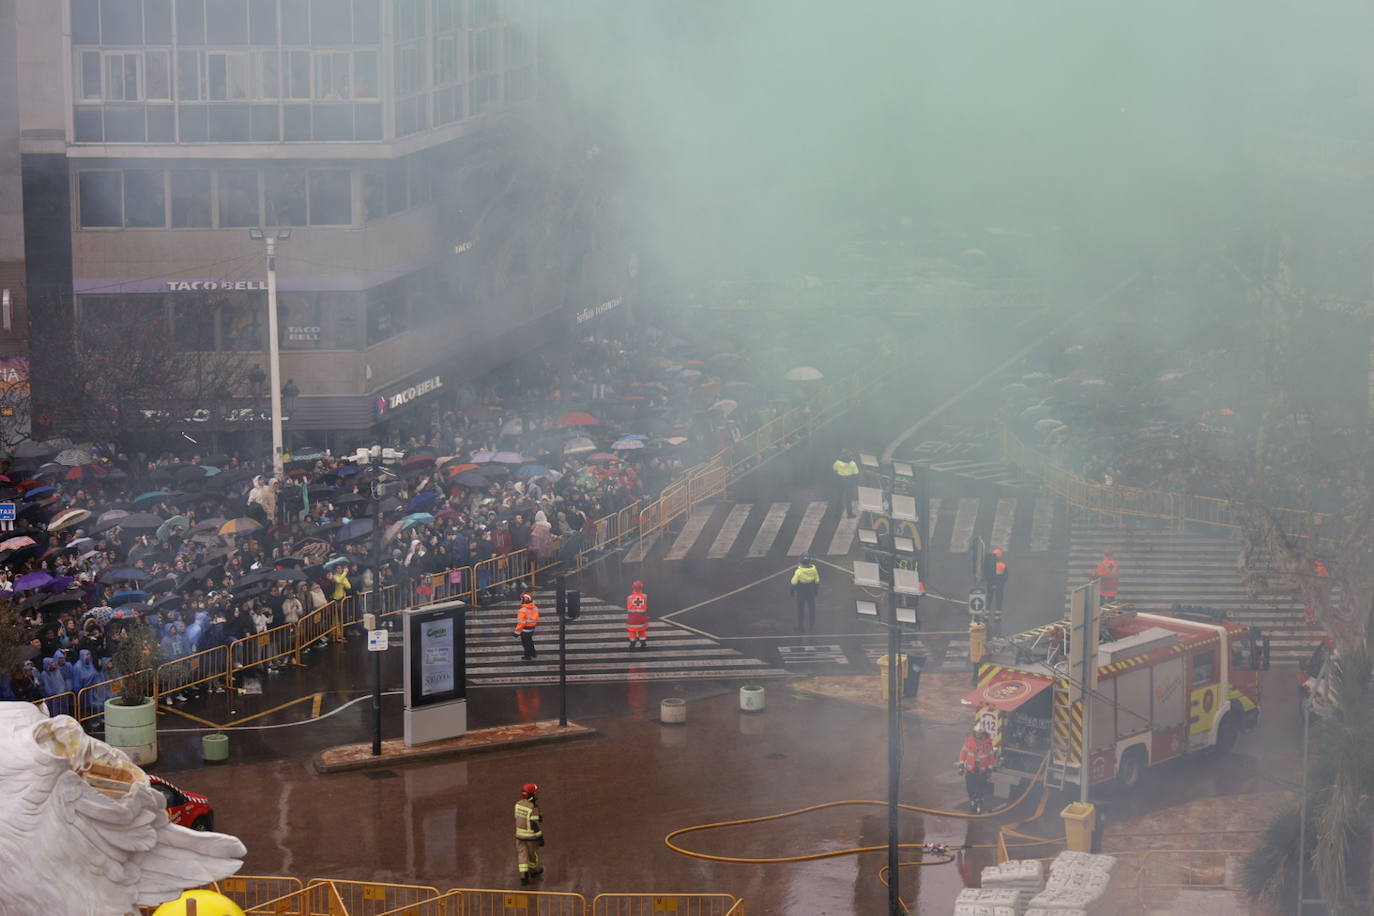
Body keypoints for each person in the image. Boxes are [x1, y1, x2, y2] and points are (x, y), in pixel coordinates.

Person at [957, 725, 997, 814]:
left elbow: (991, 757)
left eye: (980, 733)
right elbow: (963, 753)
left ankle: (978, 801)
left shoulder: (988, 743)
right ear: (974, 732)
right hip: (970, 769)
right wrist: (961, 765)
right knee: (970, 786)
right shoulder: (969, 741)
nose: (978, 734)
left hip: (982, 770)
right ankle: (972, 799)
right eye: (977, 733)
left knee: (980, 786)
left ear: (983, 733)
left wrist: (990, 769)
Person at [514, 782, 544, 885]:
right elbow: (535, 824)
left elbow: (519, 818)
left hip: (519, 836)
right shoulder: (533, 807)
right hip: (531, 837)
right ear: (532, 794)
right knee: (532, 856)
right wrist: (540, 837)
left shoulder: (518, 804)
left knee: (522, 854)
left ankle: (523, 875)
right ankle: (534, 871)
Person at [790, 554, 820, 633]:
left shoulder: (799, 571)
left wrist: (792, 592)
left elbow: (794, 582)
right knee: (811, 609)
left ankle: (801, 626)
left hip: (801, 592)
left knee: (800, 609)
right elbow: (817, 580)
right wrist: (816, 590)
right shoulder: (814, 569)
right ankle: (811, 626)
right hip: (810, 592)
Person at [832, 450, 860, 518]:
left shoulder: (838, 462)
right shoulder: (853, 464)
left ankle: (837, 514)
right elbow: (856, 474)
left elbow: (834, 470)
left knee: (839, 498)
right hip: (849, 482)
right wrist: (854, 482)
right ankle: (849, 514)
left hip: (840, 481)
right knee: (848, 499)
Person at [984, 547, 1009, 620]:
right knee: (999, 600)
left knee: (989, 599)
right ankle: (997, 616)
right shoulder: (1003, 565)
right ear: (1000, 556)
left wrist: (992, 584)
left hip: (990, 585)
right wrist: (999, 584)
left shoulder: (989, 565)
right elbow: (1005, 577)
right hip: (1000, 586)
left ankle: (986, 615)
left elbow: (987, 575)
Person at [514, 592, 539, 661]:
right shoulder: (535, 608)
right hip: (532, 628)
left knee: (525, 643)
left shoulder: (522, 611)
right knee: (530, 641)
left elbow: (521, 623)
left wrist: (516, 633)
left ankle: (527, 656)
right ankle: (533, 653)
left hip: (525, 629)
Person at [625, 580, 649, 650]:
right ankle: (643, 643)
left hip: (632, 618)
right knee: (641, 630)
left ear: (633, 588)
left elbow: (628, 607)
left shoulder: (629, 597)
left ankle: (632, 644)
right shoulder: (645, 596)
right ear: (641, 588)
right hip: (642, 617)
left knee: (632, 631)